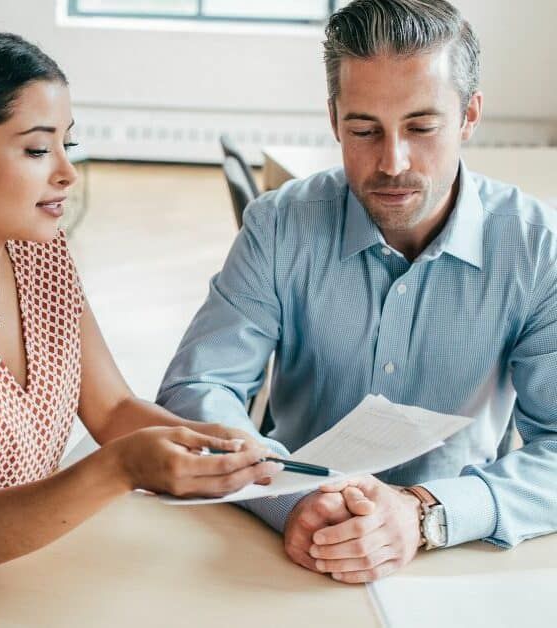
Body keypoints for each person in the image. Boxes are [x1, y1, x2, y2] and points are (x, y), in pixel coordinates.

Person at [0, 27, 282, 572]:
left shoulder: (38, 253)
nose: (67, 173)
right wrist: (119, 469)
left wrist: (217, 443)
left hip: (30, 567)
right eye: (38, 149)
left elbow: (112, 408)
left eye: (66, 145)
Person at [159, 0, 557, 584]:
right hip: (290, 541)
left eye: (421, 127)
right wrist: (287, 497)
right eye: (364, 129)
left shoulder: (536, 247)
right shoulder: (278, 225)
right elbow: (196, 391)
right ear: (333, 119)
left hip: (461, 552)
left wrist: (426, 512)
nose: (392, 163)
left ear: (470, 115)